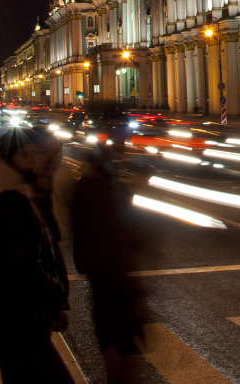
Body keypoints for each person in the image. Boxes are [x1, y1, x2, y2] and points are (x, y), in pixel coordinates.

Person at [0, 127, 72, 383]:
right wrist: (55, 291)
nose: (35, 160)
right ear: (9, 158)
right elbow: (23, 264)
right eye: (27, 154)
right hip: (20, 318)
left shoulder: (13, 193)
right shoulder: (10, 200)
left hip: (16, 315)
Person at [72, 125, 146, 384]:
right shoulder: (106, 188)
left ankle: (116, 373)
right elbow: (122, 224)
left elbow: (77, 227)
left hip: (99, 266)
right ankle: (119, 375)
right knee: (120, 327)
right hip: (112, 265)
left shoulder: (86, 186)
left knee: (107, 324)